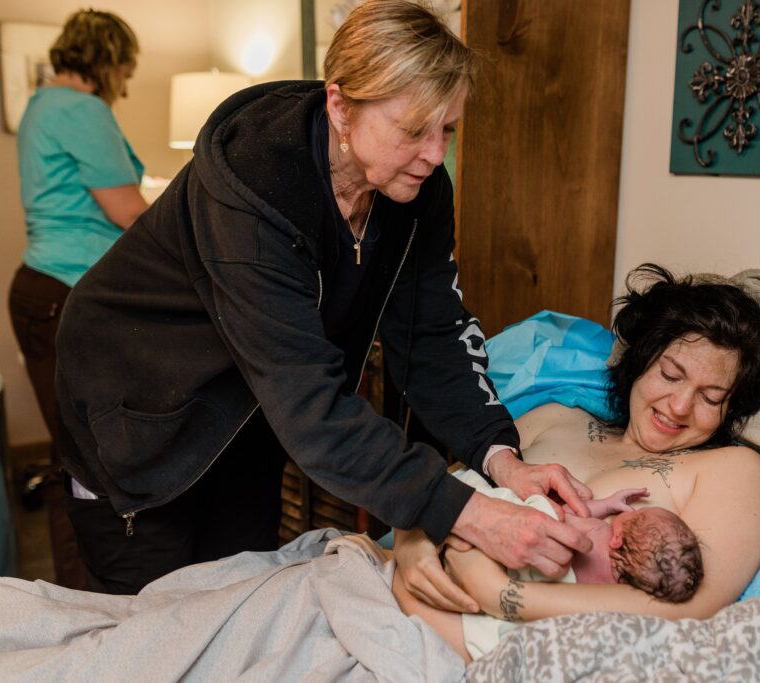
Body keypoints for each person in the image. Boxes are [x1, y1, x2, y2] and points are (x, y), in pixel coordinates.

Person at [53, 0, 592, 595]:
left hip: (245, 413)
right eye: (414, 130)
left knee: (237, 602)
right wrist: (468, 511)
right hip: (137, 412)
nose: (436, 154)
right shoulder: (253, 191)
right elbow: (310, 401)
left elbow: (433, 330)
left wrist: (499, 457)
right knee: (153, 623)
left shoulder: (415, 189)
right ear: (340, 106)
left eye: (448, 130)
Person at [393, 263, 760, 662]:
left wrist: (501, 594)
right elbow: (442, 489)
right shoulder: (555, 417)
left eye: (711, 398)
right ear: (641, 360)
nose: (680, 406)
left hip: (512, 648)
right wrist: (411, 545)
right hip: (407, 596)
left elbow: (691, 608)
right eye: (670, 374)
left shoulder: (733, 470)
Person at [7, 9, 148, 590]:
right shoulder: (83, 110)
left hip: (40, 287)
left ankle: (72, 593)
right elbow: (126, 213)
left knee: (71, 454)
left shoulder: (40, 104)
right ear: (108, 60)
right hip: (69, 290)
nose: (127, 84)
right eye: (126, 69)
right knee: (83, 461)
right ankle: (82, 601)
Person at [439, 467, 703, 660]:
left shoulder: (600, 534)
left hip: (523, 564)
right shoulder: (619, 591)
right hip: (534, 600)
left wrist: (608, 505)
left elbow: (566, 516)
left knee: (495, 496)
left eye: (640, 514)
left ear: (617, 538)